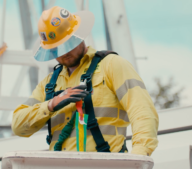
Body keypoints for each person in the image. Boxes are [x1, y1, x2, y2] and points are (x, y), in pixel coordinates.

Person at [12, 6, 158, 156]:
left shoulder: (112, 65)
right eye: (57, 49)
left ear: (79, 35)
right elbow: (18, 125)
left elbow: (142, 111)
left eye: (67, 44)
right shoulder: (49, 84)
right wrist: (51, 104)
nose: (65, 53)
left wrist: (138, 156)